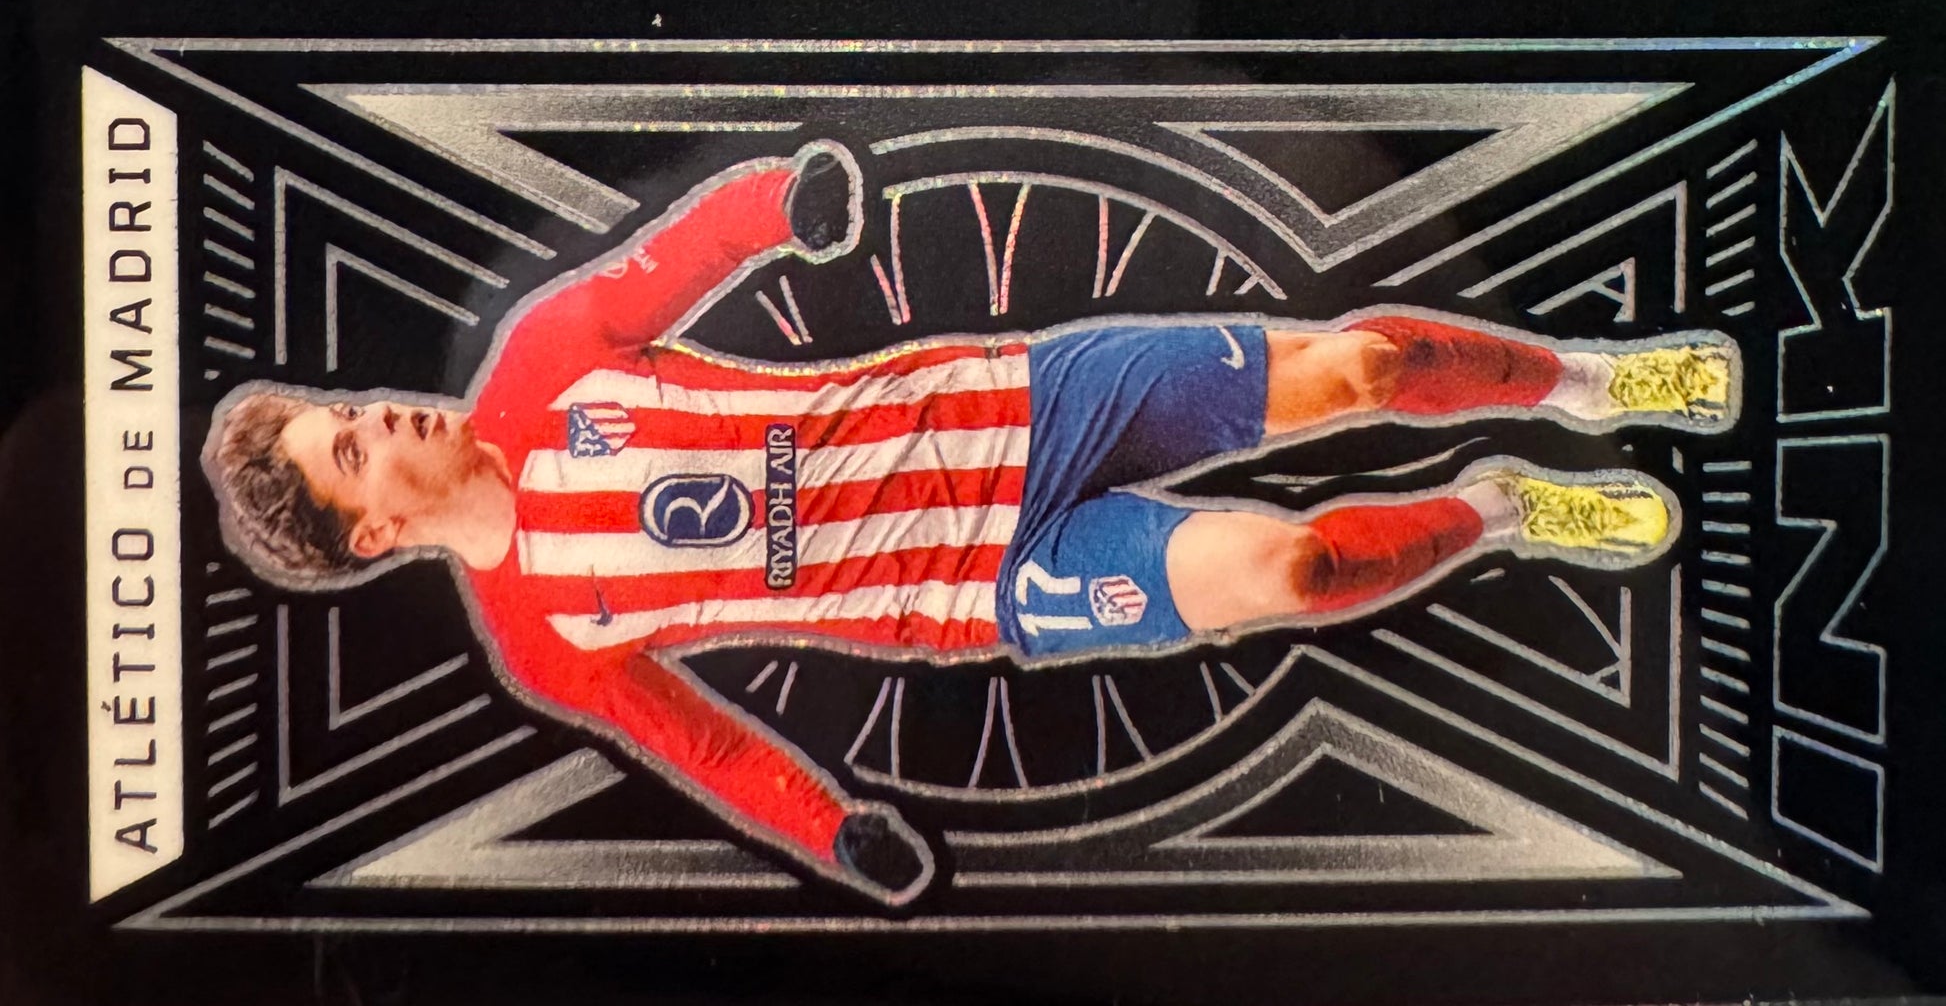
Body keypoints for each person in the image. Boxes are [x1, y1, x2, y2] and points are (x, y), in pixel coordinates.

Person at [205, 143, 1738, 904]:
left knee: (1360, 371)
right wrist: (834, 833)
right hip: (991, 584)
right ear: (369, 535)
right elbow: (702, 747)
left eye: (354, 403)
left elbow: (676, 255)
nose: (380, 414)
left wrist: (782, 205)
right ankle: (1503, 507)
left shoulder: (542, 357)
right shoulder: (545, 638)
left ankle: (1589, 383)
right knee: (1294, 563)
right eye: (351, 446)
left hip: (1021, 401)